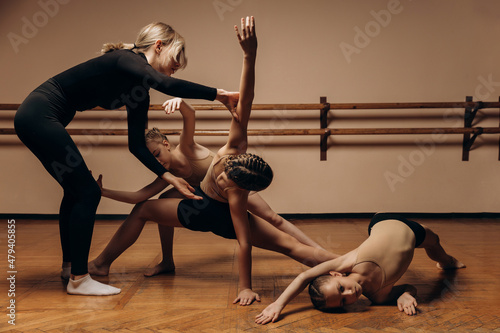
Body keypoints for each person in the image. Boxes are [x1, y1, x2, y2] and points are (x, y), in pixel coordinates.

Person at [91, 16, 338, 305]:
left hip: (208, 208)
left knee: (285, 236)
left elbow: (243, 242)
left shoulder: (232, 184)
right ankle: (350, 262)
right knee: (290, 247)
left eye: (156, 154)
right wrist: (249, 55)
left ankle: (346, 264)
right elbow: (246, 102)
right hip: (202, 201)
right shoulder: (230, 151)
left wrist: (244, 287)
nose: (156, 160)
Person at [14, 21, 238, 296]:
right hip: (39, 113)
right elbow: (166, 83)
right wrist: (218, 95)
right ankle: (80, 279)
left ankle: (70, 267)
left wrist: (170, 177)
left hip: (40, 117)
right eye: (176, 57)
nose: (178, 65)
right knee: (86, 192)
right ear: (158, 46)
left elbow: (137, 146)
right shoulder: (123, 59)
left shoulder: (138, 93)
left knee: (75, 191)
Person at [89, 97, 325, 278]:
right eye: (151, 159)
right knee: (163, 198)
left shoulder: (186, 148)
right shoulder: (167, 175)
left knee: (274, 220)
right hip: (211, 196)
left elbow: (190, 117)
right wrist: (103, 192)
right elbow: (138, 197)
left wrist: (181, 103)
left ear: (165, 144)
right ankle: (167, 261)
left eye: (157, 154)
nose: (157, 161)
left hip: (231, 185)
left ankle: (318, 251)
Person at [255, 213, 466, 324]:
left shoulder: (349, 261)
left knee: (439, 250)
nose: (350, 294)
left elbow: (304, 276)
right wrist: (404, 294)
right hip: (413, 233)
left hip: (383, 220)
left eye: (341, 288)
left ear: (336, 275)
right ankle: (446, 261)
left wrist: (279, 304)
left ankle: (447, 261)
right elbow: (409, 287)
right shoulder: (380, 297)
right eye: (345, 301)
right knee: (433, 242)